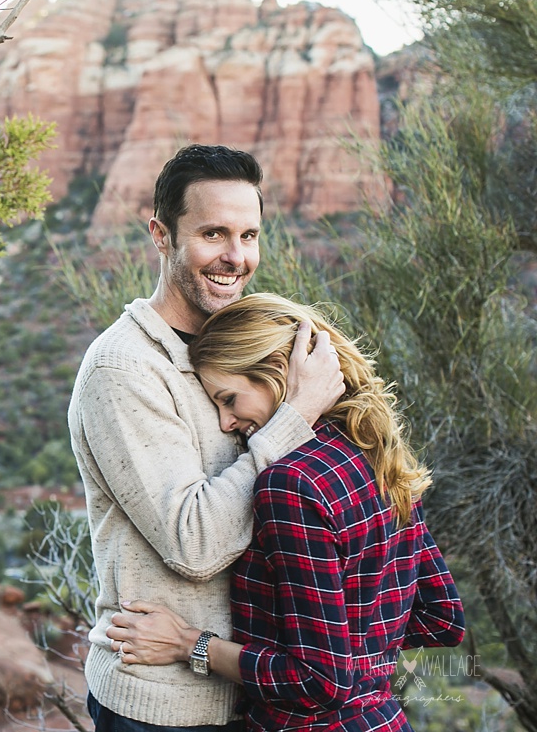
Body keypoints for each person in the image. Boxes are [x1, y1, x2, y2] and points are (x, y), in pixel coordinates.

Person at [68, 144, 346, 731]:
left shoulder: (253, 345)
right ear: (161, 235)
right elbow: (193, 543)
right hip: (162, 703)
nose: (235, 257)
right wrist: (293, 416)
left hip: (264, 690)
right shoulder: (124, 369)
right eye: (214, 234)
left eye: (249, 236)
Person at [105, 293, 465, 731]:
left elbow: (318, 681)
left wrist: (190, 645)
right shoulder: (376, 453)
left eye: (229, 399)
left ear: (277, 374)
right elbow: (441, 616)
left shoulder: (289, 484)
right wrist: (356, 659)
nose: (225, 422)